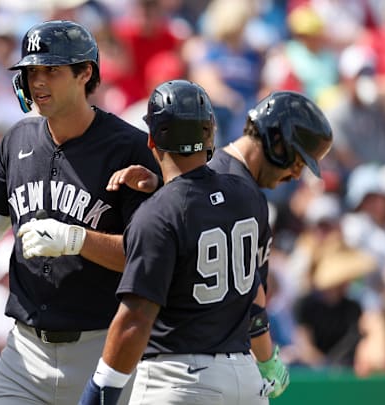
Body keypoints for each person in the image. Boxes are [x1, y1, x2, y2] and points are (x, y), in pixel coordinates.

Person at [0, 20, 161, 405]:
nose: (38, 82)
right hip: (24, 353)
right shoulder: (17, 138)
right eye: (31, 71)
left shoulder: (130, 149)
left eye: (51, 70)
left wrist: (78, 239)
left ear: (85, 73)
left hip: (105, 348)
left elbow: (149, 257)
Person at [105, 89, 334, 399]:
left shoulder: (224, 181)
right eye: (297, 159)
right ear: (277, 142)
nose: (297, 174)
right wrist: (267, 358)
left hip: (194, 369)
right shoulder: (234, 187)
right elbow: (253, 297)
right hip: (195, 364)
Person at [79, 79, 269, 405]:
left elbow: (136, 318)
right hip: (245, 377)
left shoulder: (157, 213)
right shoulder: (247, 196)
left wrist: (101, 389)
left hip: (181, 378)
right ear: (209, 133)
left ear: (152, 138)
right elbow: (200, 208)